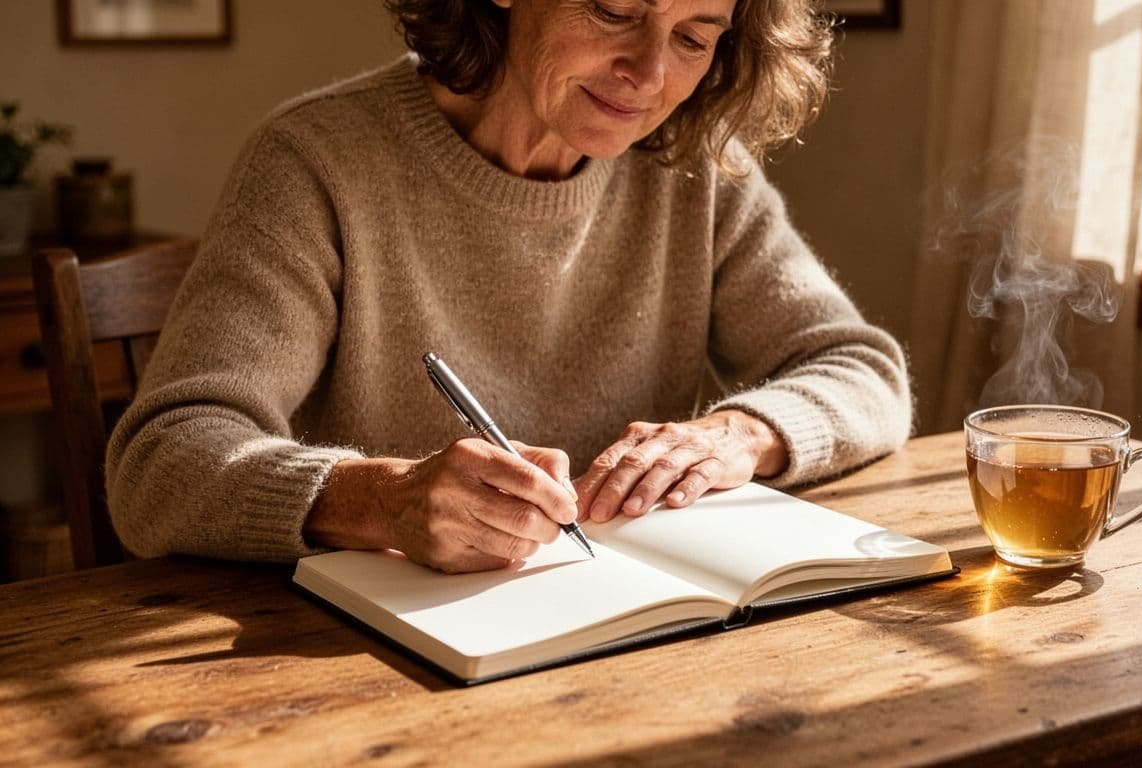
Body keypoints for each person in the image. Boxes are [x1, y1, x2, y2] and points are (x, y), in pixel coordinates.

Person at [106, 0, 911, 574]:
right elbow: (162, 460)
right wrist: (381, 499)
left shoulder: (693, 168)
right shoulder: (316, 163)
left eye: (695, 36)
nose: (651, 74)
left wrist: (734, 437)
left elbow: (862, 369)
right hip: (372, 661)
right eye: (613, 10)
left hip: (631, 634)